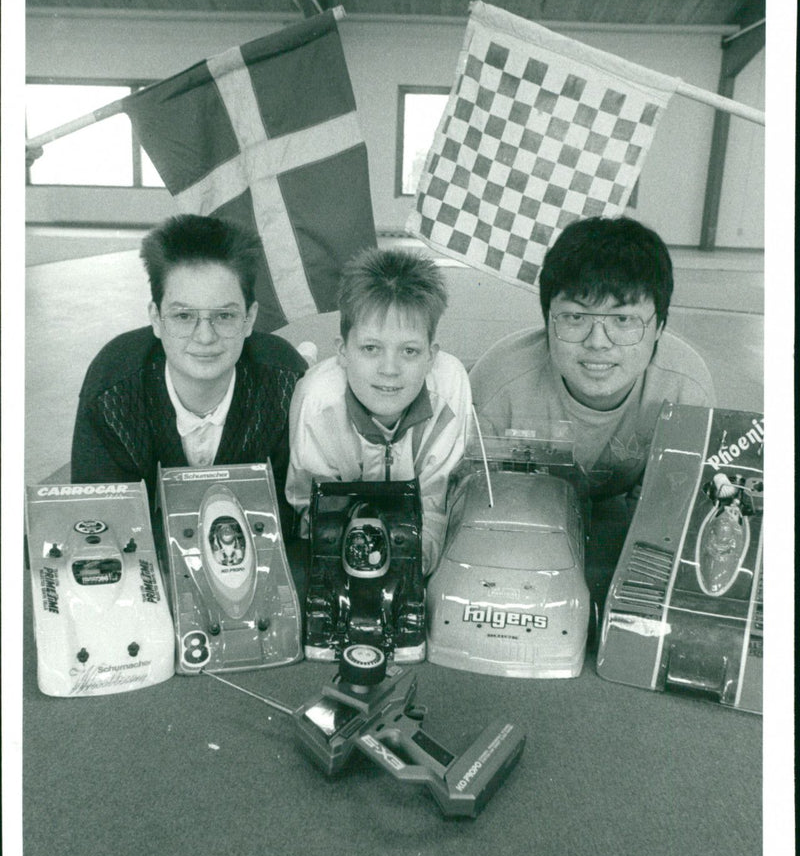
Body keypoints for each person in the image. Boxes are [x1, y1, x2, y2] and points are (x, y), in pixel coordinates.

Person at [469, 217, 715, 594]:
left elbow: (678, 521)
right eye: (575, 317)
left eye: (624, 319)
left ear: (660, 328)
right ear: (547, 320)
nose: (598, 341)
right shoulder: (498, 386)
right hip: (528, 509)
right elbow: (472, 512)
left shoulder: (685, 389)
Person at [71, 214, 306, 534]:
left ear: (250, 318)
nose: (205, 336)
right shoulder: (113, 388)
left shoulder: (285, 381)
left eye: (224, 315)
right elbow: (99, 522)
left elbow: (296, 520)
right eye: (183, 316)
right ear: (156, 318)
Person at [286, 246, 472, 575]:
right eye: (371, 348)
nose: (390, 369)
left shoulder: (451, 385)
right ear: (343, 351)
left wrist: (408, 572)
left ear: (431, 356)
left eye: (409, 351)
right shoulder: (317, 399)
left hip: (417, 557)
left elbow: (437, 505)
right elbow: (309, 509)